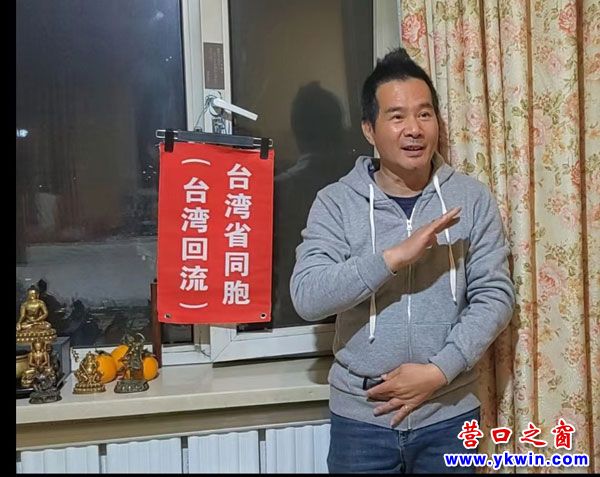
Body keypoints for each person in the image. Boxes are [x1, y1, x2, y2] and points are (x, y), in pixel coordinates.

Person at [290, 47, 515, 473]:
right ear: (369, 129)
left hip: (449, 413)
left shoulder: (470, 198)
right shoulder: (336, 203)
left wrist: (439, 371)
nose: (414, 129)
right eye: (397, 117)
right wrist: (392, 258)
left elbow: (495, 296)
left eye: (424, 114)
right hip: (362, 420)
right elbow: (308, 296)